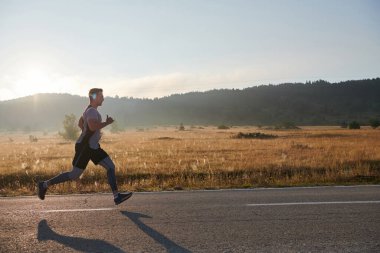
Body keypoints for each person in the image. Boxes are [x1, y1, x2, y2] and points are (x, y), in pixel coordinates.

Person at [37, 88, 132, 205]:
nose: (103, 98)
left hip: (93, 147)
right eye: (101, 96)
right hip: (86, 148)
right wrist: (106, 123)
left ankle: (117, 196)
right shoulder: (91, 111)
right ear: (94, 97)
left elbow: (80, 123)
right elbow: (92, 127)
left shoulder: (88, 110)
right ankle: (44, 184)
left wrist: (85, 133)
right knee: (74, 175)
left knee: (111, 167)